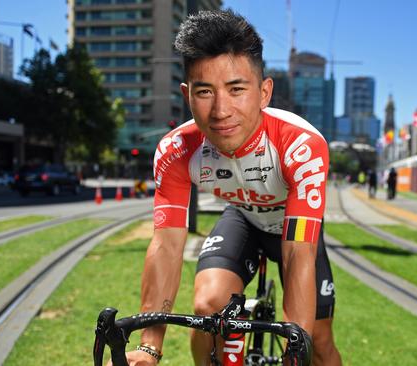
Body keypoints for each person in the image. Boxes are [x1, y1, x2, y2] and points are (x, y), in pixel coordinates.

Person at [116, 10, 342, 366]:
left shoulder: (300, 145)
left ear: (264, 92)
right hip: (243, 219)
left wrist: (296, 353)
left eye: (237, 89)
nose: (221, 110)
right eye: (205, 91)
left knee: (318, 338)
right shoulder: (176, 150)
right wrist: (149, 347)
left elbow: (298, 253)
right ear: (186, 94)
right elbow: (166, 245)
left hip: (293, 227)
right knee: (208, 308)